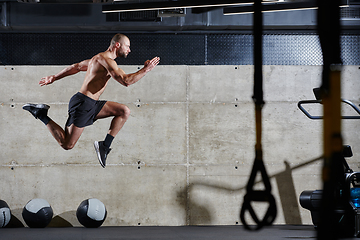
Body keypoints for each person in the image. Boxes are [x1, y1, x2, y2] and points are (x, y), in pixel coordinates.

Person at [23, 33, 160, 168]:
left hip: (91, 103)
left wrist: (54, 77)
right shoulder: (106, 60)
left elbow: (76, 67)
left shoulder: (99, 59)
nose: (129, 50)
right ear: (117, 45)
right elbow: (126, 81)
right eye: (127, 46)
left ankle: (104, 146)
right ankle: (41, 114)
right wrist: (146, 70)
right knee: (67, 144)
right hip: (83, 104)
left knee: (124, 111)